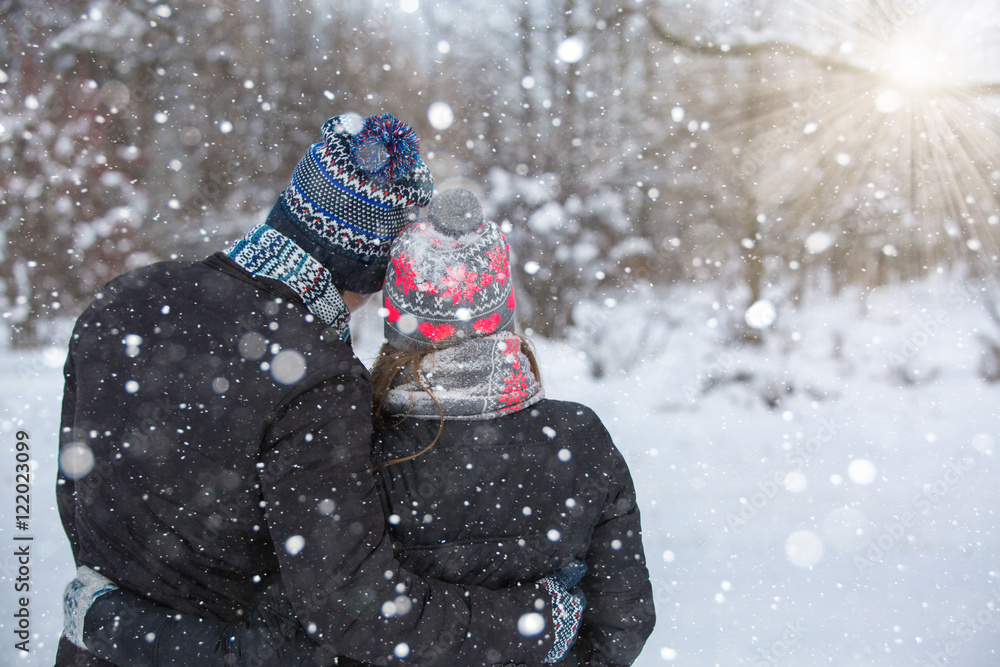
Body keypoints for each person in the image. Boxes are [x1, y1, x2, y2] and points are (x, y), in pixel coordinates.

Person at [57, 114, 584, 666]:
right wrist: (539, 623)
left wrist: (109, 623)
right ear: (378, 265)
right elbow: (360, 610)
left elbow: (81, 506)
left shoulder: (124, 302)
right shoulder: (319, 379)